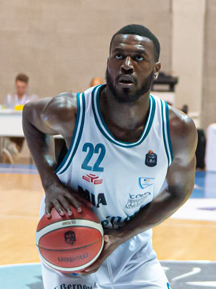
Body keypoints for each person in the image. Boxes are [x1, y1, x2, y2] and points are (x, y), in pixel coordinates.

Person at [23, 24, 197, 289]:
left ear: (156, 70)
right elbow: (30, 116)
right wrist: (50, 183)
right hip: (70, 238)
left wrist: (119, 236)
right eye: (118, 56)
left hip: (131, 246)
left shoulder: (177, 130)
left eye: (138, 58)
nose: (126, 64)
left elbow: (179, 191)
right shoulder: (71, 111)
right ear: (108, 63)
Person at [2, 73, 37, 163]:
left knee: (23, 128)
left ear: (26, 86)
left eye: (23, 87)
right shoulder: (9, 99)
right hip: (10, 127)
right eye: (18, 87)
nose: (20, 89)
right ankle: (12, 150)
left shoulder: (32, 99)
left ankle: (11, 150)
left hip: (24, 127)